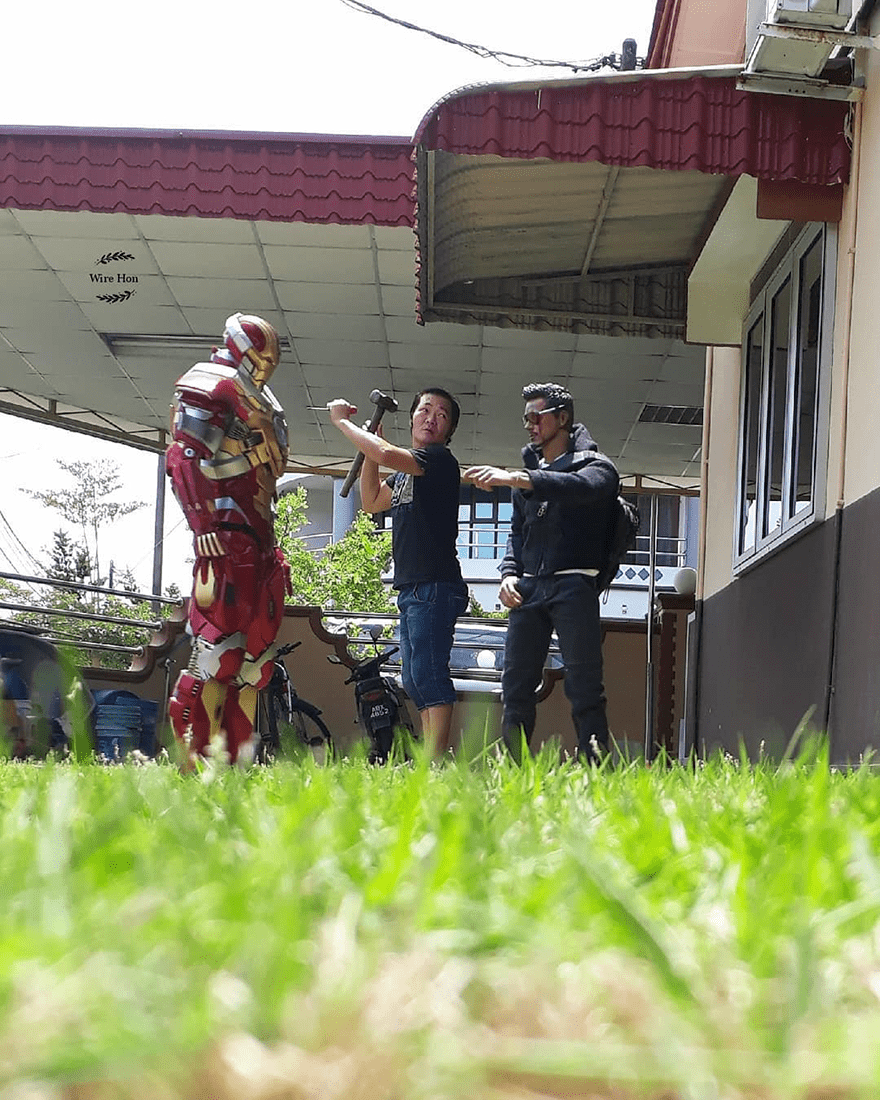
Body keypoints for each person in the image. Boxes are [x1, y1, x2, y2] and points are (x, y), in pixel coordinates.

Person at [464, 382, 619, 762]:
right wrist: (508, 574)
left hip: (575, 583)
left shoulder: (596, 467)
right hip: (529, 588)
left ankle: (595, 765)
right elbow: (517, 534)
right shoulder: (528, 477)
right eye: (526, 418)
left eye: (537, 417)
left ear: (562, 418)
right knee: (515, 683)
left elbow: (583, 488)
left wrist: (519, 479)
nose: (530, 425)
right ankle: (512, 765)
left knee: (584, 684)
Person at [166, 313, 291, 766]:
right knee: (217, 655)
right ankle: (193, 758)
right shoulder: (212, 384)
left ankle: (235, 762)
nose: (265, 366)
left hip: (259, 540)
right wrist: (202, 525)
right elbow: (182, 457)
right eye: (260, 357)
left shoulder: (260, 397)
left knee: (256, 665)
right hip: (223, 536)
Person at [327, 388, 468, 759]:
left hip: (435, 585)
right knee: (415, 679)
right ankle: (430, 760)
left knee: (429, 675)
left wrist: (343, 424)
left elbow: (387, 454)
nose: (431, 418)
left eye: (441, 415)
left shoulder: (438, 459)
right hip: (414, 588)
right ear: (412, 417)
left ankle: (435, 764)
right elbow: (372, 500)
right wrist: (371, 448)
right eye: (425, 410)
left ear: (449, 431)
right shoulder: (407, 473)